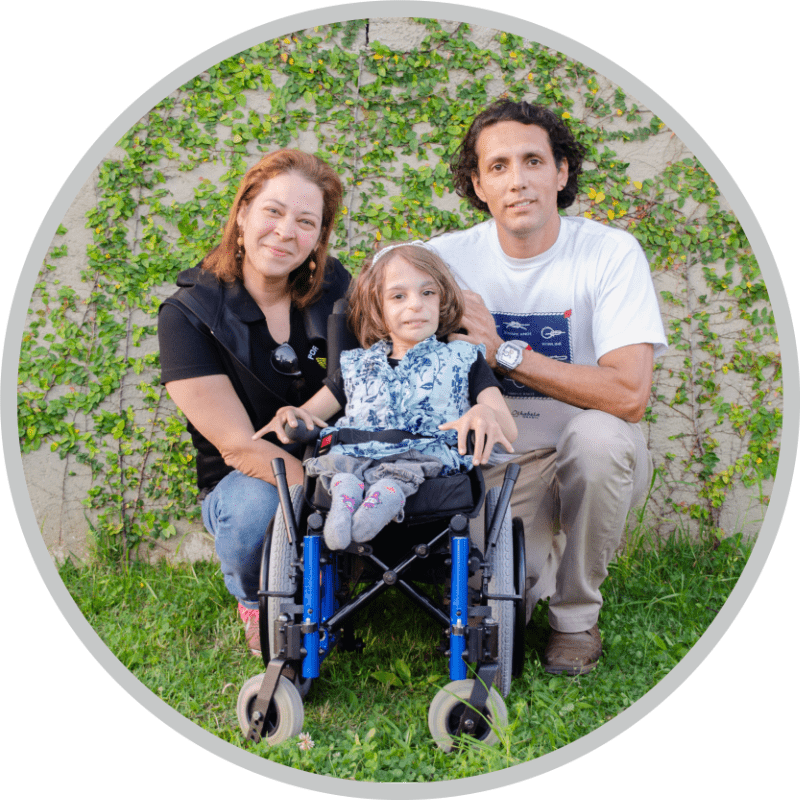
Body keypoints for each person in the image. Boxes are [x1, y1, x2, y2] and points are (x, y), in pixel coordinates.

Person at [426, 99, 668, 675]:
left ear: (561, 173)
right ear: (478, 185)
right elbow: (376, 294)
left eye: (534, 161)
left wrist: (506, 354)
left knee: (600, 439)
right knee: (510, 597)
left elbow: (629, 395)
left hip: (589, 454)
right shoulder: (445, 259)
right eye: (499, 166)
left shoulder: (608, 253)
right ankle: (543, 563)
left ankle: (577, 618)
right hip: (504, 459)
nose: (518, 181)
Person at [157, 149, 350, 656]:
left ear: (318, 239)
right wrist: (328, 490)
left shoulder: (334, 288)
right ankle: (254, 599)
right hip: (246, 479)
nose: (286, 231)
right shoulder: (188, 314)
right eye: (273, 211)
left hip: (335, 456)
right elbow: (239, 446)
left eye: (305, 221)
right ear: (242, 213)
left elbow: (369, 367)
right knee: (257, 508)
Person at [253, 241, 518, 551]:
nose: (415, 305)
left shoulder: (464, 358)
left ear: (442, 301)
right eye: (398, 296)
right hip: (358, 453)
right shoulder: (356, 366)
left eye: (427, 293)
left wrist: (484, 413)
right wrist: (290, 416)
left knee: (407, 469)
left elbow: (509, 430)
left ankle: (385, 493)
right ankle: (346, 492)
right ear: (378, 310)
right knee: (342, 465)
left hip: (424, 459)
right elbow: (310, 415)